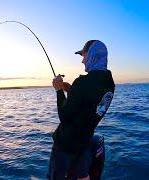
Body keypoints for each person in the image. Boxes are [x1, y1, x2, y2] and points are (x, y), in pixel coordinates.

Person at [48, 40, 115, 180]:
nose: (83, 61)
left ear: (92, 55)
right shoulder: (109, 83)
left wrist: (59, 90)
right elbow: (91, 102)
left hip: (66, 146)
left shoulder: (82, 82)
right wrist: (71, 90)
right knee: (82, 176)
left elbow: (65, 117)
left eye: (84, 56)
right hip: (85, 142)